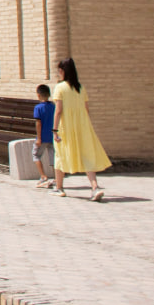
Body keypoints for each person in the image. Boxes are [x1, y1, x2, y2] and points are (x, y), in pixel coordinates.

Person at [51, 58, 110, 201]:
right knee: (87, 156)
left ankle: (59, 187)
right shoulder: (81, 88)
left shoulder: (60, 88)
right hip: (82, 127)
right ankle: (95, 187)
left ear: (62, 71)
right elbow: (86, 109)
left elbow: (58, 111)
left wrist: (55, 130)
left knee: (60, 155)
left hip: (66, 128)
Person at [32, 84, 55, 188]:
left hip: (43, 137)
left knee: (36, 155)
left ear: (38, 95)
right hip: (52, 136)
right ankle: (56, 178)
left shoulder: (38, 108)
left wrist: (39, 138)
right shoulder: (53, 106)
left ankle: (43, 176)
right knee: (53, 158)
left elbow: (38, 123)